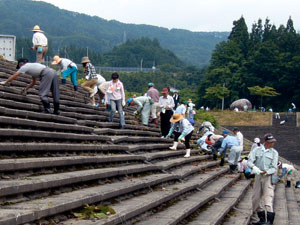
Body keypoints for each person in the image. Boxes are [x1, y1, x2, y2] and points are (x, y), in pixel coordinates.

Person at [247, 133, 278, 225]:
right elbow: (250, 161)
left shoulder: (274, 153)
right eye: (270, 142)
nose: (272, 143)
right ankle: (261, 219)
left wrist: (267, 171)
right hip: (258, 175)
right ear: (265, 142)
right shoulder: (257, 150)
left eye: (273, 142)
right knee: (255, 198)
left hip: (268, 177)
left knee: (268, 198)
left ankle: (269, 221)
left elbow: (274, 167)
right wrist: (254, 167)